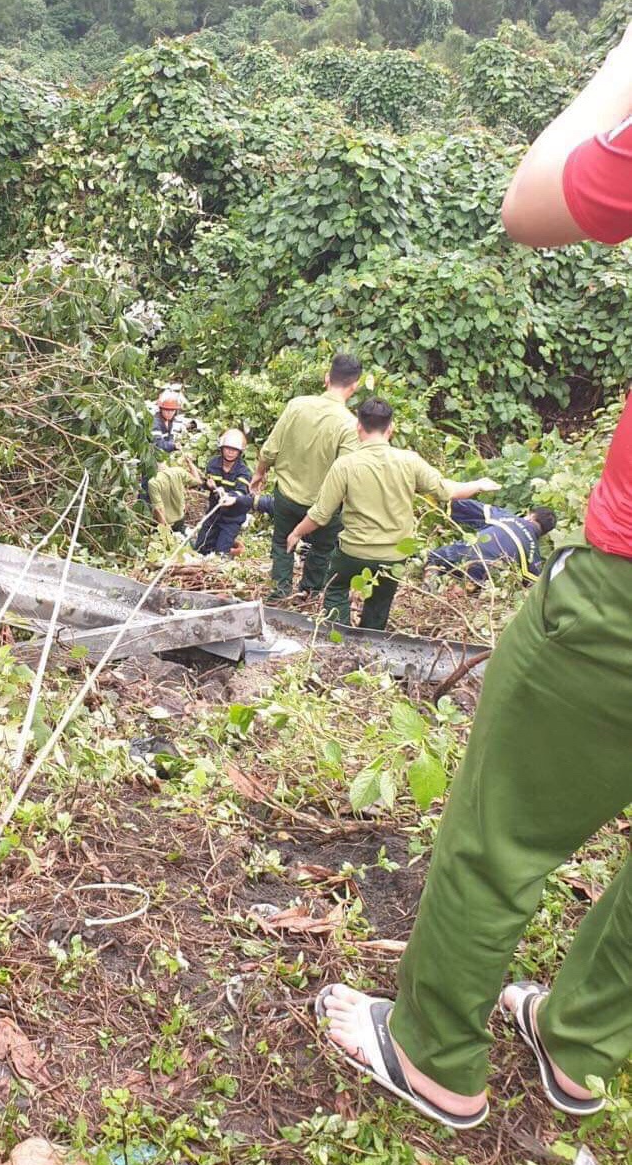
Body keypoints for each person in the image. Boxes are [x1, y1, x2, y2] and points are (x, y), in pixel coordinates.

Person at [315, 23, 632, 1133]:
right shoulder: (410, 462)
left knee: (500, 830)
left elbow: (530, 202)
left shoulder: (348, 450)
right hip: (399, 559)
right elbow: (448, 501)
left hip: (621, 599)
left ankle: (433, 1051)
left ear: (344, 400)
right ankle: (579, 1041)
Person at [286, 398, 500, 631]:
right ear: (391, 428)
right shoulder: (409, 461)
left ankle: (340, 639)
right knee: (380, 601)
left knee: (336, 588)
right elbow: (447, 491)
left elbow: (320, 515)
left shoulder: (345, 465)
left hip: (355, 551)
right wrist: (478, 484)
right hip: (395, 555)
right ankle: (371, 641)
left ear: (358, 427)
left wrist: (296, 533)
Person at [250, 353, 361, 600]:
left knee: (281, 543)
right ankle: (309, 594)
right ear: (354, 386)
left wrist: (259, 472)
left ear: (326, 378)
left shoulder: (297, 406)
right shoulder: (349, 425)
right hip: (322, 506)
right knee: (321, 549)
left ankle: (280, 592)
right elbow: (346, 473)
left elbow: (270, 448)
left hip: (287, 496)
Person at [427, 500, 557, 584]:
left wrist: (447, 504)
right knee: (479, 583)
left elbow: (465, 507)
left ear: (531, 515)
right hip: (486, 574)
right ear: (543, 533)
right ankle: (467, 588)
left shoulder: (504, 516)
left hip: (464, 554)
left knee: (435, 557)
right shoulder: (532, 551)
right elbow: (535, 583)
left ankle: (428, 584)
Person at [195, 429, 254, 555]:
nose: (230, 452)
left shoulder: (243, 472)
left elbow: (241, 492)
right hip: (214, 512)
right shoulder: (213, 464)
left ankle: (229, 548)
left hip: (233, 517)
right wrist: (208, 485)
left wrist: (229, 496)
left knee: (221, 552)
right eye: (227, 448)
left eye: (234, 450)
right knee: (200, 548)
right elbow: (205, 484)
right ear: (221, 448)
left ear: (240, 452)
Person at [146, 458, 201, 534]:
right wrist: (190, 464)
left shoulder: (153, 482)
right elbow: (198, 481)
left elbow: (159, 509)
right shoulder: (178, 471)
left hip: (165, 523)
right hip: (180, 519)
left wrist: (164, 532)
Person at [151, 388, 184, 454]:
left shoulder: (170, 421)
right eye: (166, 410)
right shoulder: (155, 422)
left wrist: (174, 444)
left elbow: (170, 436)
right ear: (161, 409)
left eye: (172, 410)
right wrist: (173, 446)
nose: (169, 413)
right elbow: (157, 444)